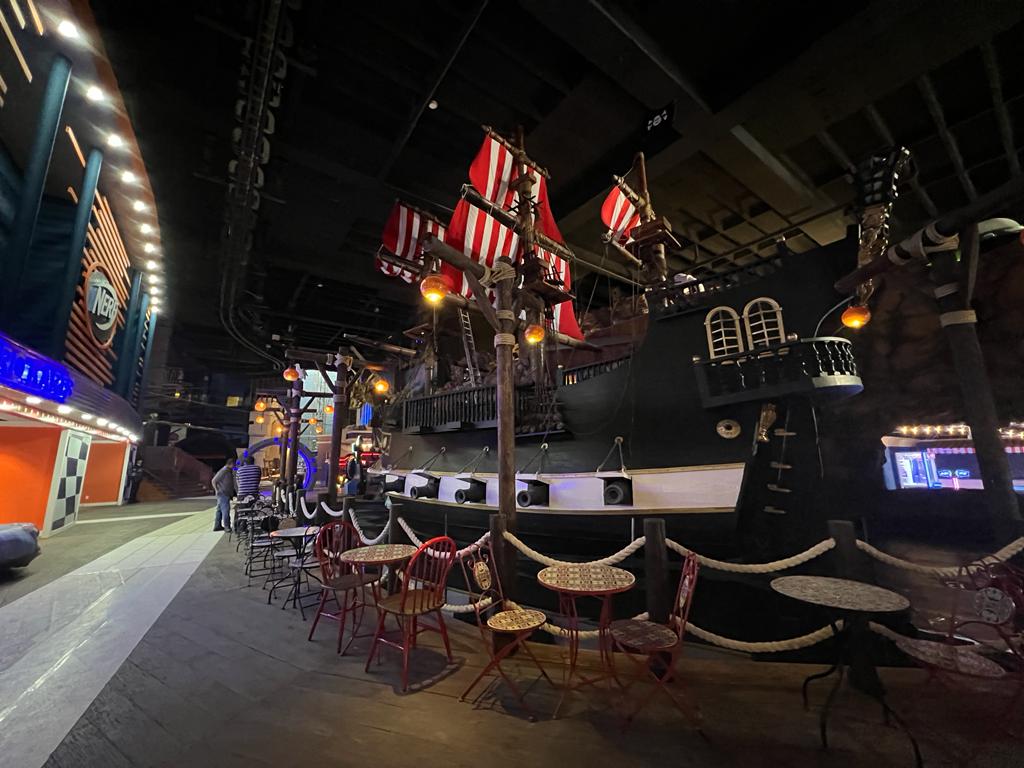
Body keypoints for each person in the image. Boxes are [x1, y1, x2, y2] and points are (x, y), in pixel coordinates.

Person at [211, 457, 236, 532]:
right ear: (230, 464)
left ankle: (217, 526)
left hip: (224, 493)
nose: (234, 467)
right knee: (225, 510)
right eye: (234, 465)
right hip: (223, 493)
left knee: (219, 510)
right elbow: (214, 480)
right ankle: (227, 526)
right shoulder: (224, 471)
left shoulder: (228, 471)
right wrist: (216, 490)